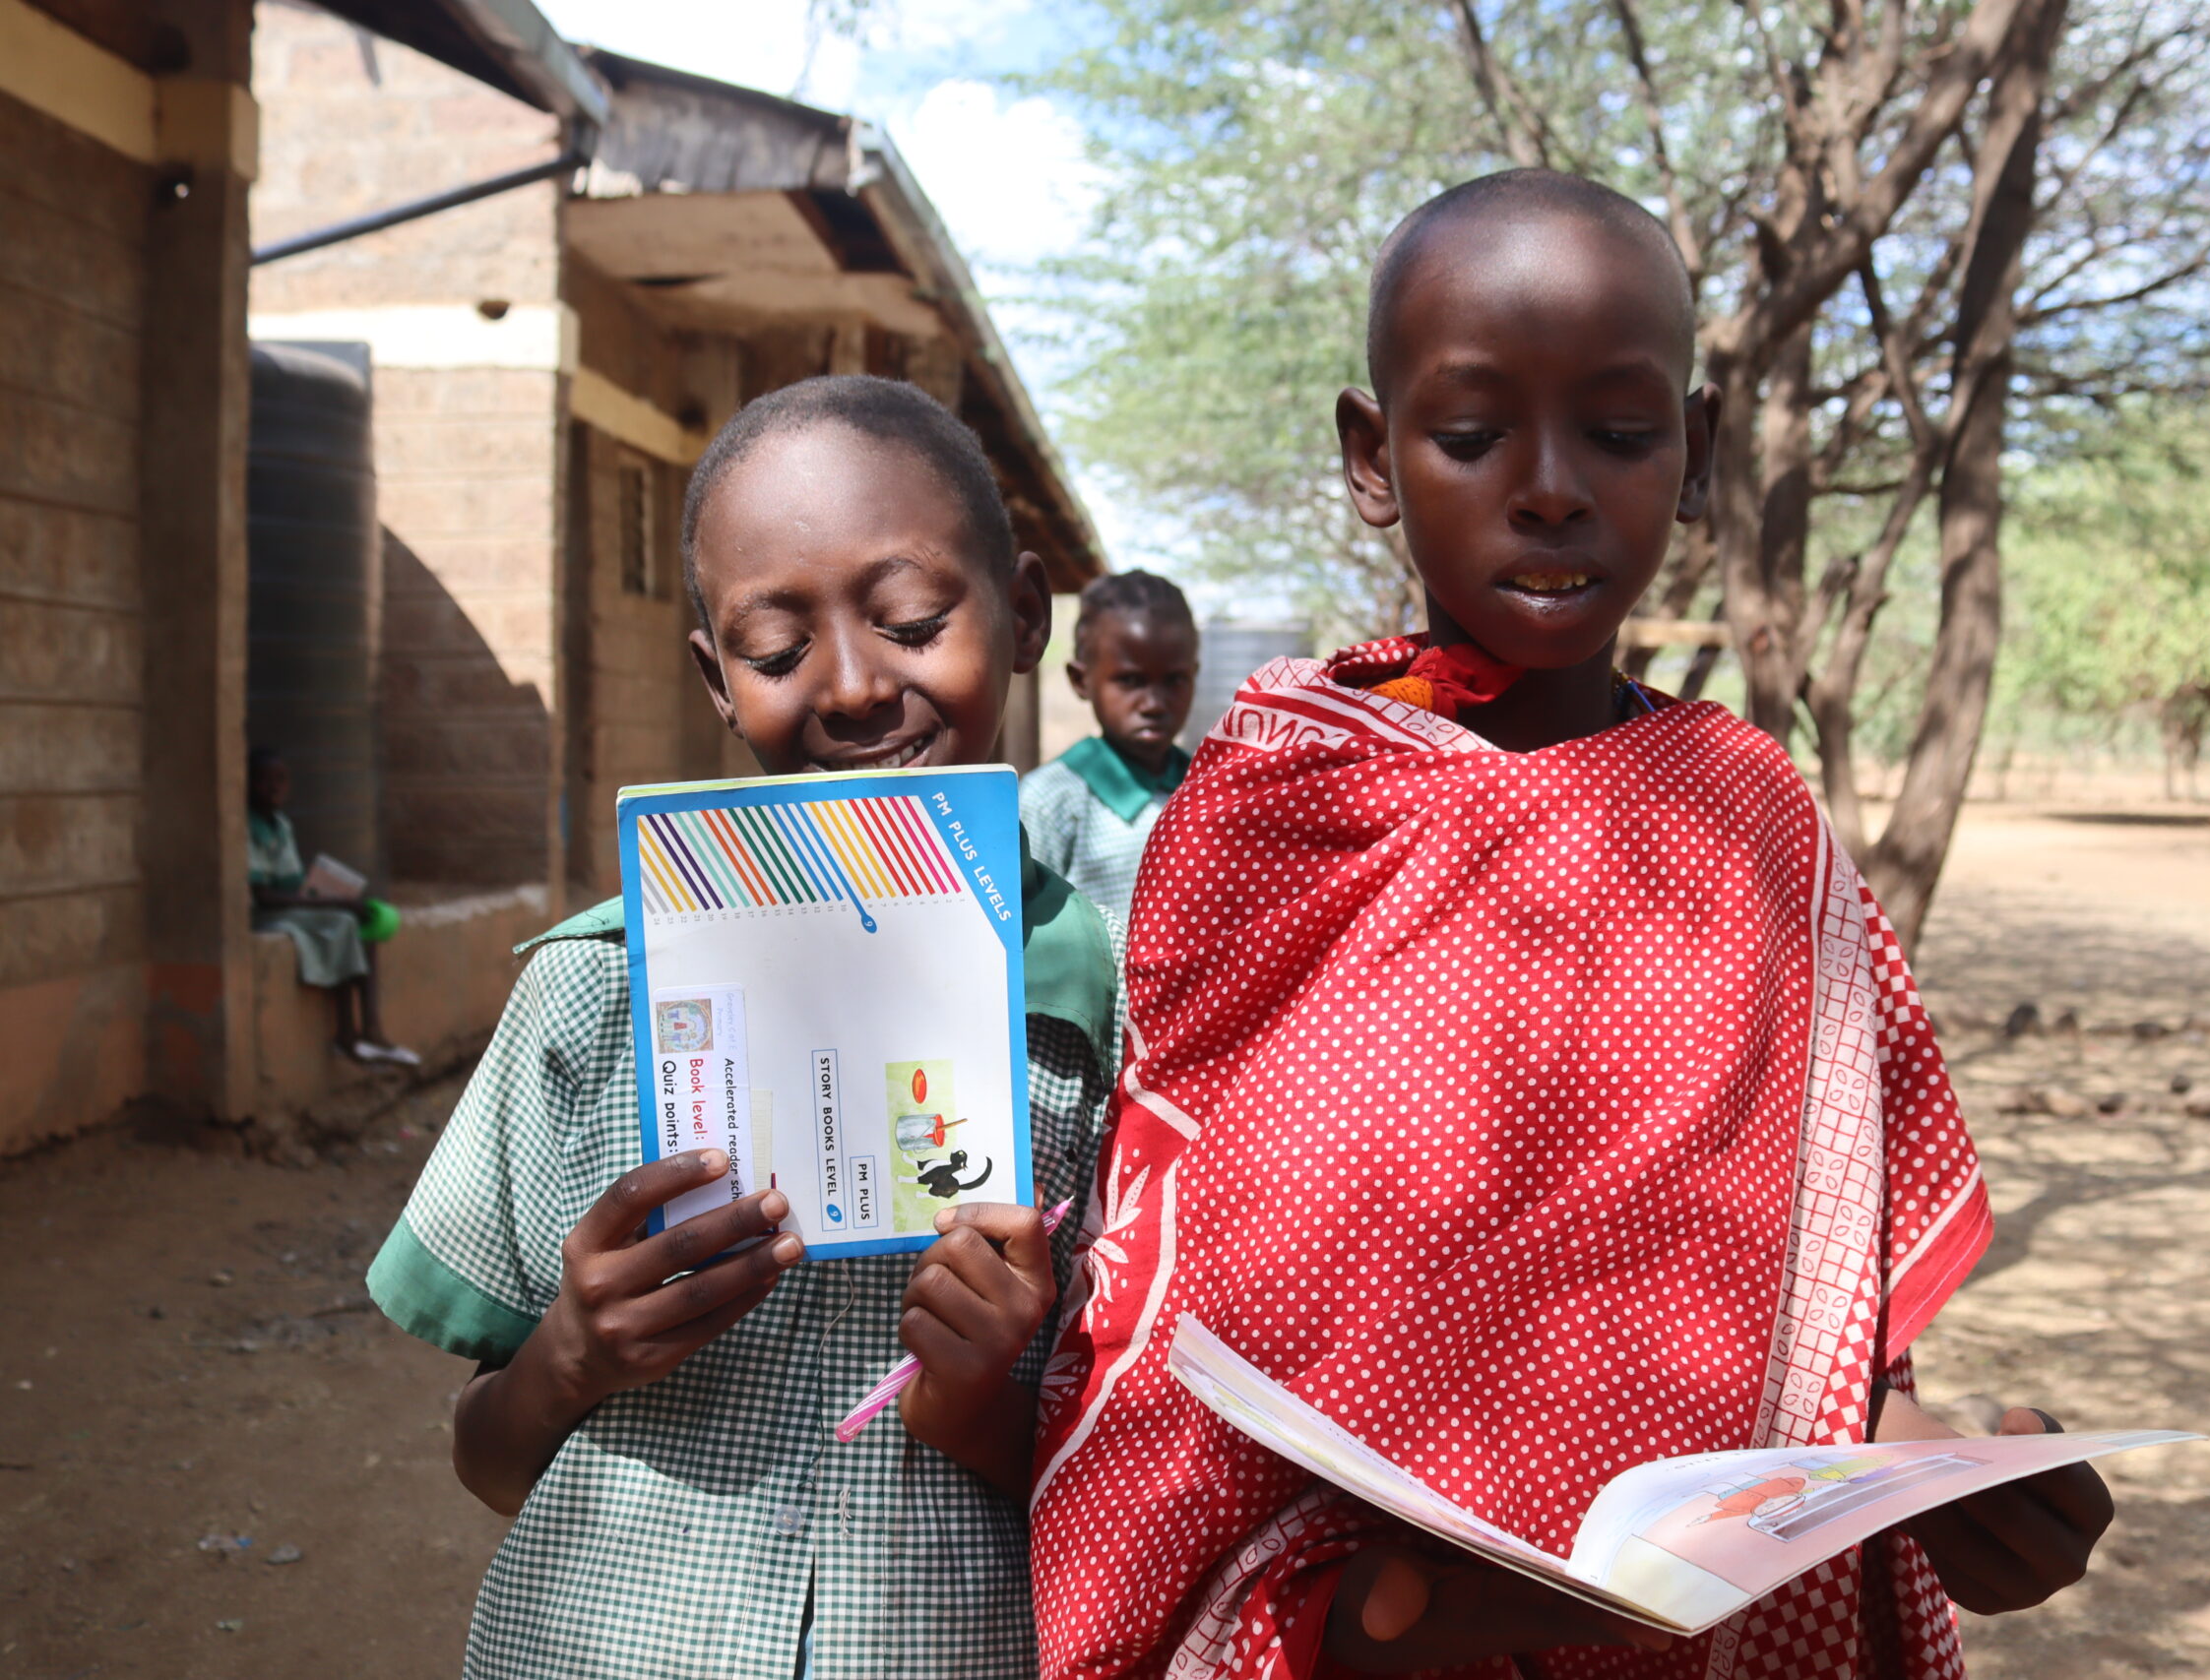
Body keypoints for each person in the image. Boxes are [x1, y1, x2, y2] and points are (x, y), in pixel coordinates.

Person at [1030, 171, 2113, 1680]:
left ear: (1700, 448)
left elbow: (1834, 1314)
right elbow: (1173, 1298)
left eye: (1619, 431)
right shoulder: (1273, 810)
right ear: (1373, 454)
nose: (1549, 485)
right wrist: (1348, 1616)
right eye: (1471, 433)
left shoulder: (1749, 816)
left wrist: (1941, 1482)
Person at [364, 376, 1119, 1680]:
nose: (849, 687)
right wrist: (569, 1354)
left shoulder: (1126, 1016)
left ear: (1023, 617)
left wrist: (992, 1407)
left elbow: (1162, 1499)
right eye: (775, 650)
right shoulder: (594, 989)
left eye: (912, 620)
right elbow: (487, 1458)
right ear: (717, 675)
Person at [1020, 570, 1201, 929]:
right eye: (1130, 680)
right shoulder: (1050, 800)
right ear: (1081, 680)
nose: (1153, 703)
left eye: (1175, 680)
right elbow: (1025, 934)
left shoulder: (1203, 787)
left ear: (1195, 675)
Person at [246, 746, 416, 1067]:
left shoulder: (280, 825)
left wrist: (326, 892)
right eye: (263, 781)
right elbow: (263, 897)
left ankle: (370, 1028)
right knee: (343, 923)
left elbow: (291, 883)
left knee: (359, 923)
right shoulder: (247, 828)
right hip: (265, 914)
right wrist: (336, 901)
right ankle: (349, 1034)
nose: (274, 788)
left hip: (286, 905)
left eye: (281, 780)